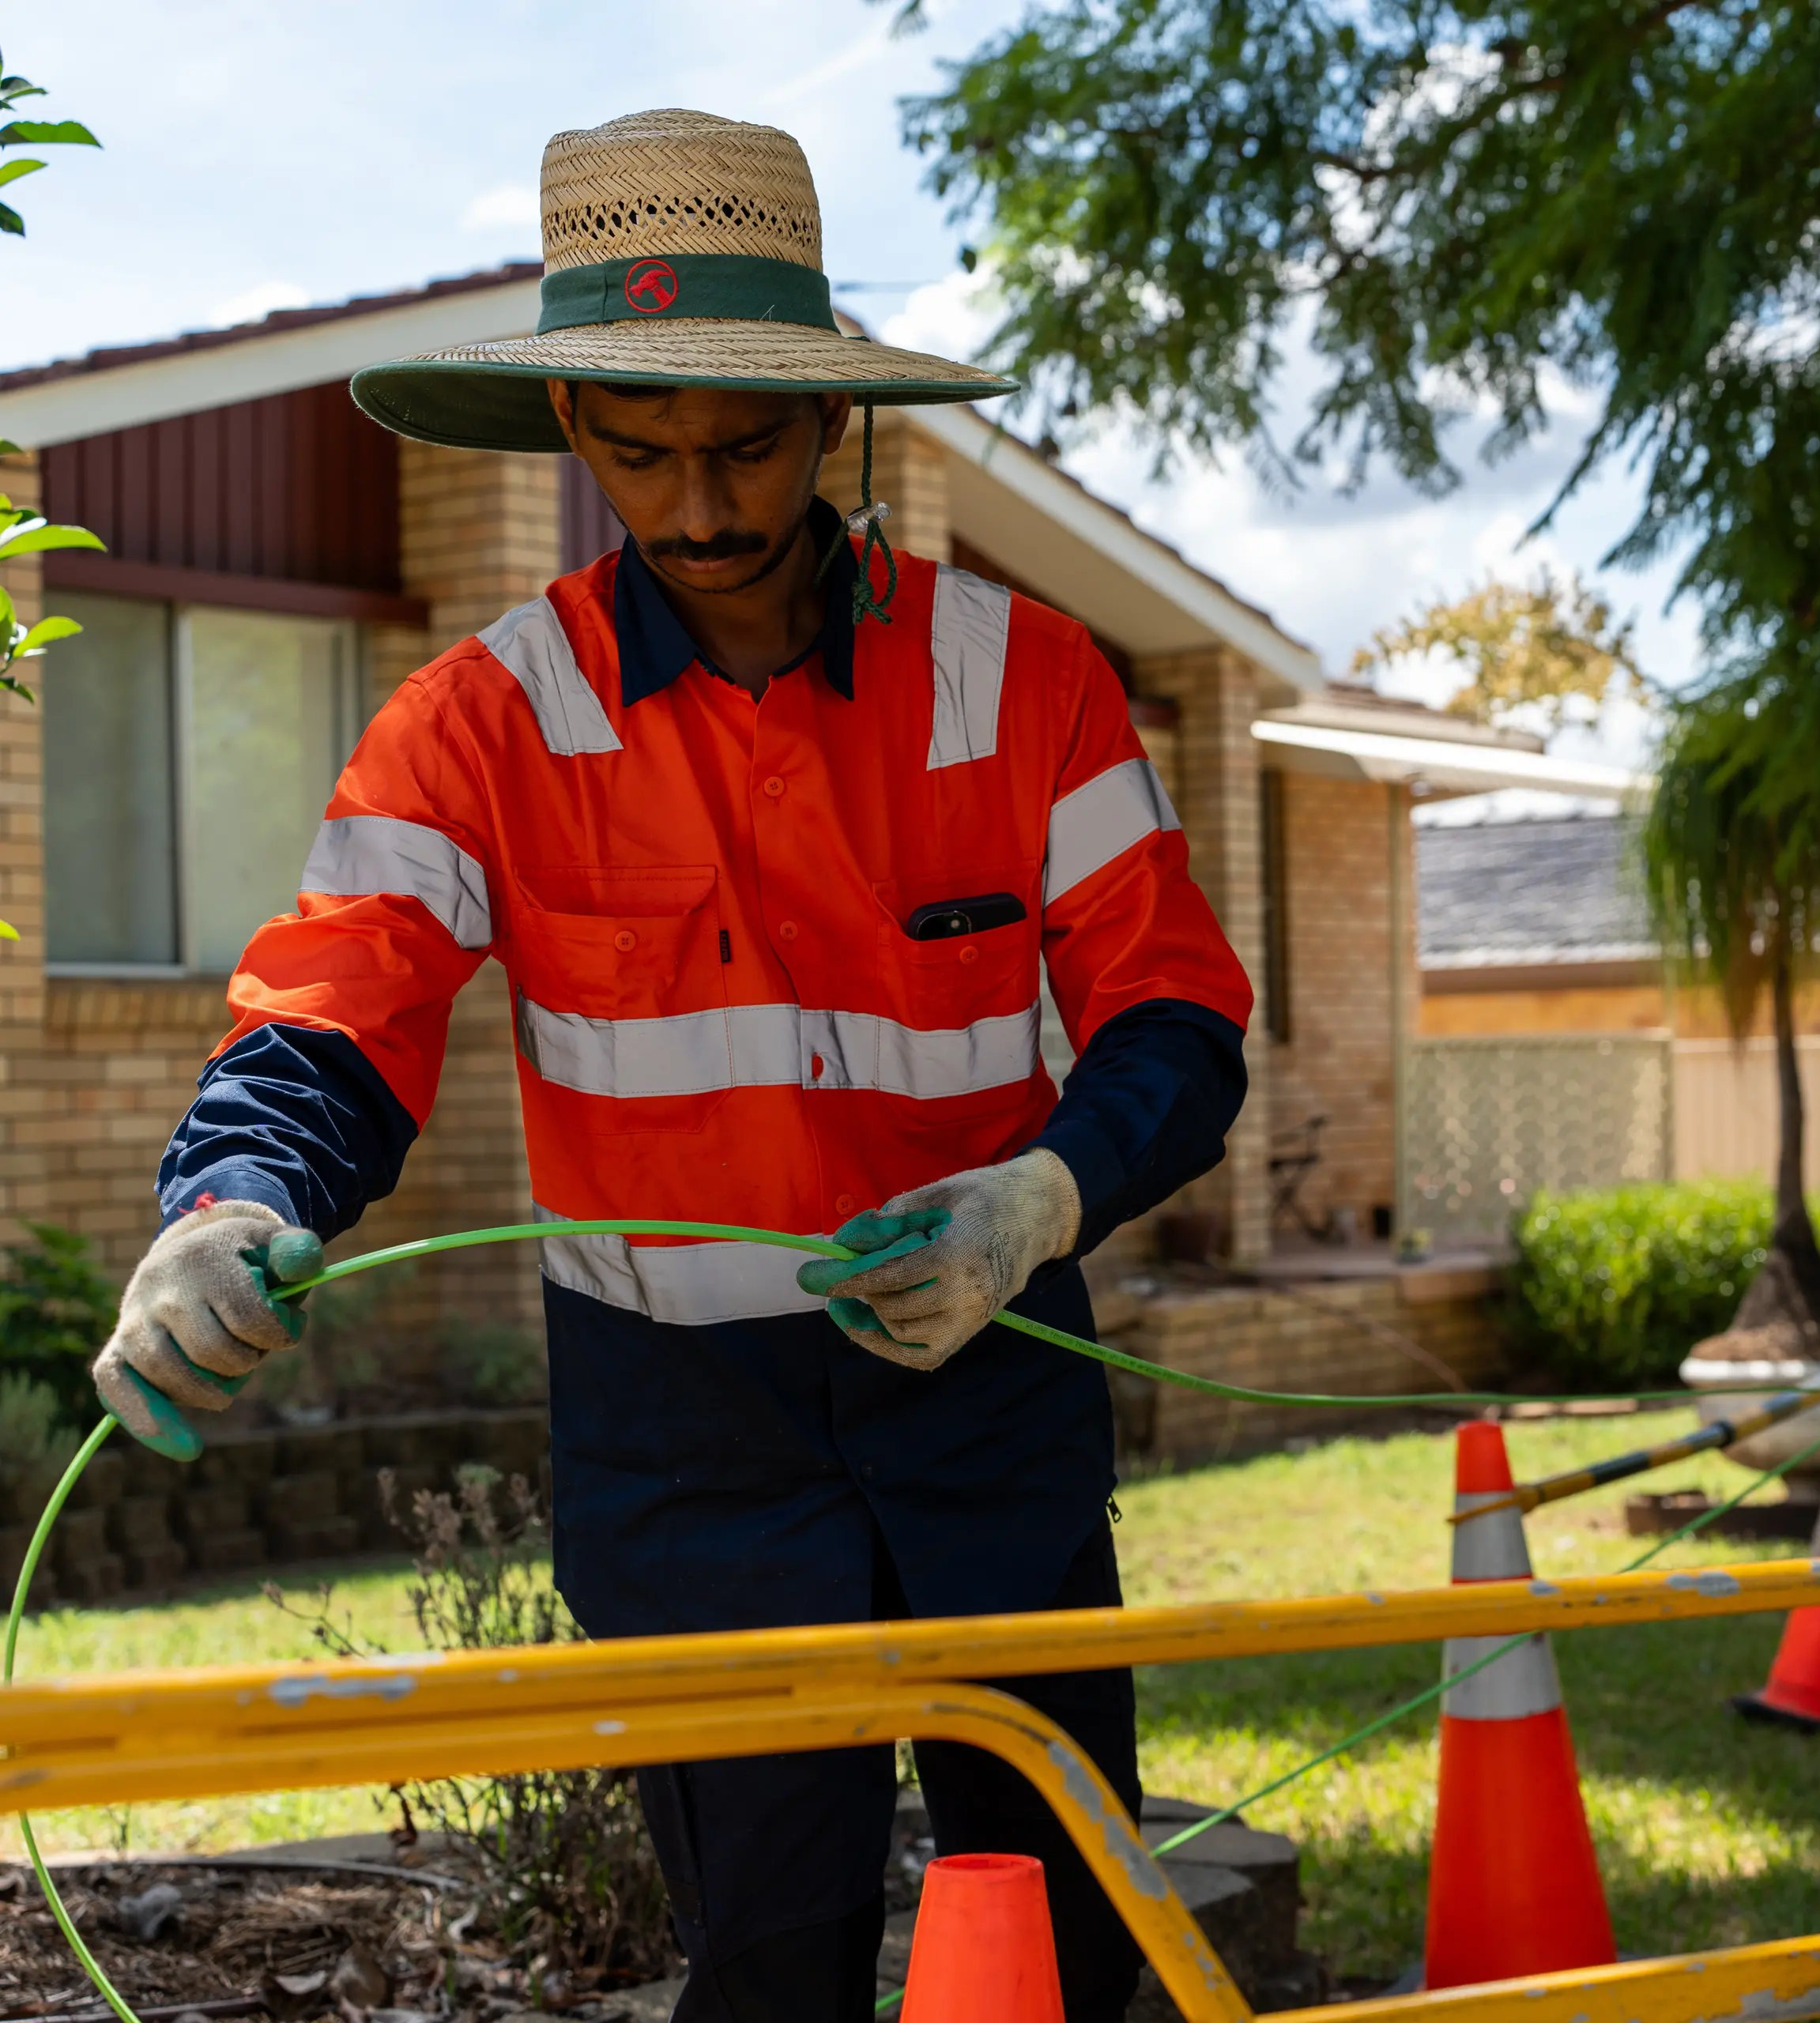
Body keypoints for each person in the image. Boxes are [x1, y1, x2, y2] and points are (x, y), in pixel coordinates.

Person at [86, 111, 1251, 2023]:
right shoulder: (478, 722)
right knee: (767, 1963)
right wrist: (232, 1202)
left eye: (746, 447)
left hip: (992, 1391)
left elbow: (1175, 1019)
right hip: (691, 1452)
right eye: (640, 451)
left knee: (1057, 1941)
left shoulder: (1028, 680)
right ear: (570, 425)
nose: (698, 508)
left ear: (833, 416)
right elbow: (333, 1008)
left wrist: (1039, 1199)